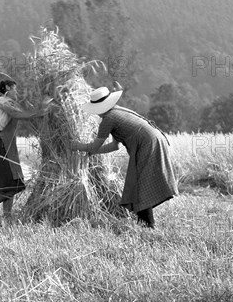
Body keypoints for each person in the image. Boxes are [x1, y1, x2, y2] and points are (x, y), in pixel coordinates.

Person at [70, 86, 179, 228]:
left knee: (140, 185)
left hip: (147, 143)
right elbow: (113, 146)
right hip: (155, 139)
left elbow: (95, 145)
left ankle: (148, 224)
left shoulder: (108, 119)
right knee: (140, 184)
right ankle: (144, 222)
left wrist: (76, 146)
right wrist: (90, 152)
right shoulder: (118, 111)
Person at [0, 79, 46, 220]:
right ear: (7, 88)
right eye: (15, 89)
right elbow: (17, 114)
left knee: (10, 183)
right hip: (2, 142)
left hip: (8, 142)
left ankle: (7, 218)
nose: (17, 92)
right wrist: (41, 112)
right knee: (13, 184)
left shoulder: (8, 102)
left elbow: (21, 114)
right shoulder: (3, 100)